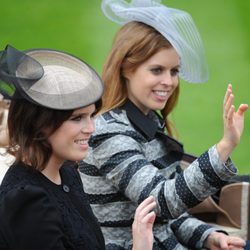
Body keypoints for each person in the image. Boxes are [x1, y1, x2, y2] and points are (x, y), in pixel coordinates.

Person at [79, 0, 249, 249]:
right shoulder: (109, 132)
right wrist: (224, 147)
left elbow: (168, 218)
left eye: (174, 71)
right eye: (157, 70)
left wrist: (210, 237)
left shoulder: (146, 121)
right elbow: (162, 201)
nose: (169, 82)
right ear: (126, 68)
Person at [0, 44, 156, 250]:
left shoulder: (67, 172)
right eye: (77, 118)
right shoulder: (26, 200)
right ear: (40, 124)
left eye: (91, 116)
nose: (91, 128)